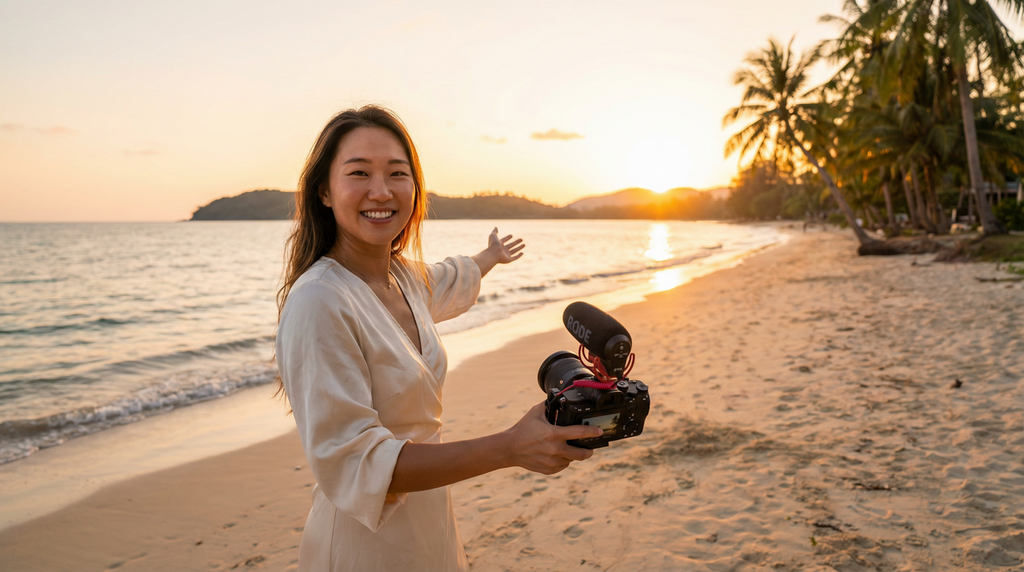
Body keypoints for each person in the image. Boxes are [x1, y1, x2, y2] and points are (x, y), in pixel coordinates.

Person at [275, 105, 603, 571]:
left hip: (430, 529)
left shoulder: (403, 280)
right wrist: (509, 447)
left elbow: (451, 276)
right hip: (361, 545)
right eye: (359, 173)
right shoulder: (319, 301)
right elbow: (357, 462)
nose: (381, 191)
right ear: (324, 191)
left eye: (397, 174)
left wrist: (490, 255)